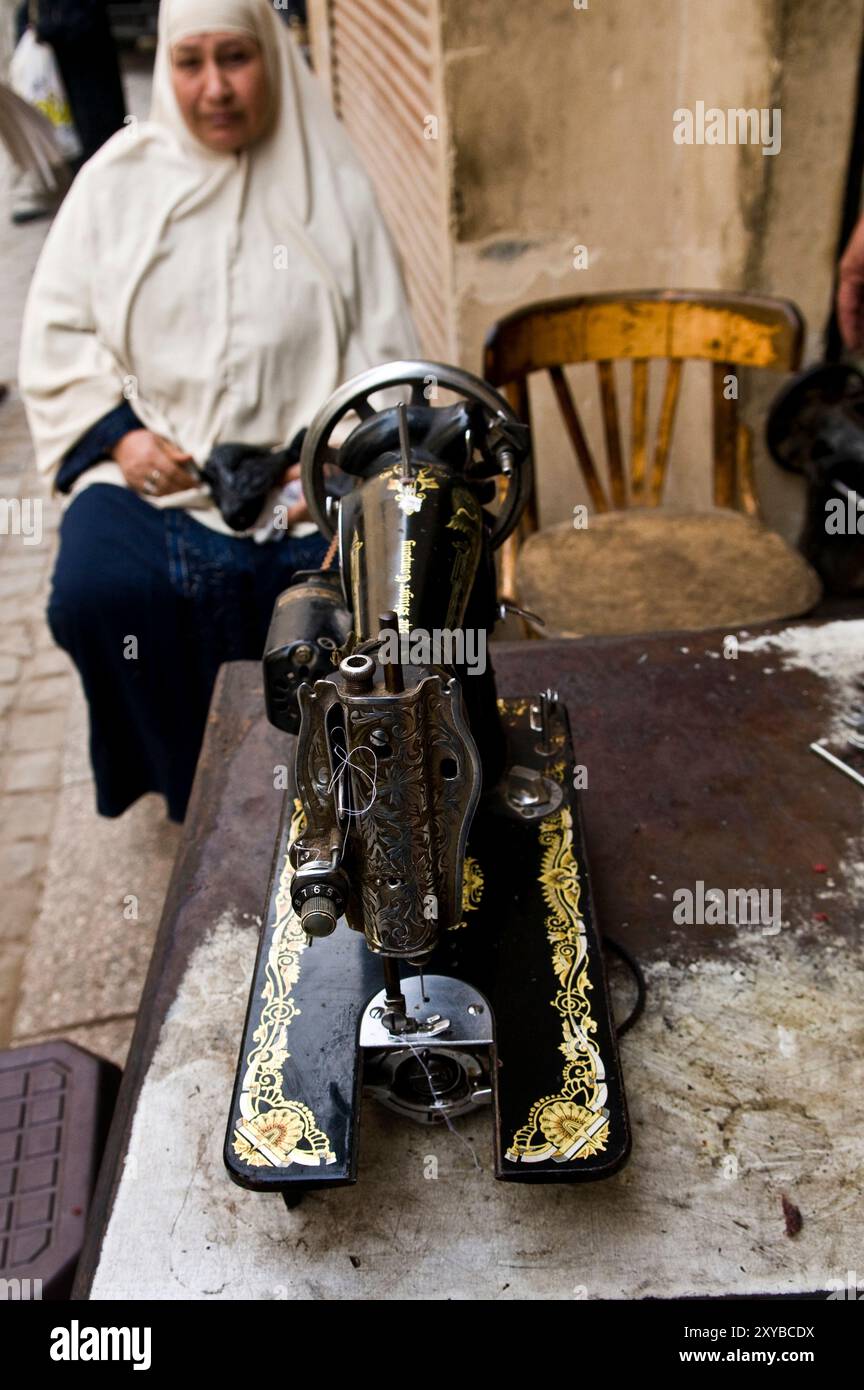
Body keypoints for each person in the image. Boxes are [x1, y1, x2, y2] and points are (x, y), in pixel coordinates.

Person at [19, 0, 419, 822]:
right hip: (160, 472)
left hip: (303, 477)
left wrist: (338, 456)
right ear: (165, 68)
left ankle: (344, 788)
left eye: (234, 58)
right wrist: (122, 439)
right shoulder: (116, 184)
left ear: (270, 57)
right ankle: (192, 792)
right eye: (190, 62)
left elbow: (385, 357)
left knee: (384, 595)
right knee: (97, 593)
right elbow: (58, 330)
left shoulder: (331, 182)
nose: (214, 88)